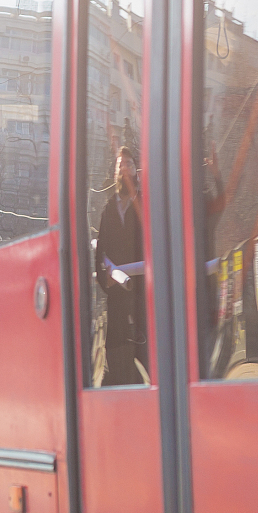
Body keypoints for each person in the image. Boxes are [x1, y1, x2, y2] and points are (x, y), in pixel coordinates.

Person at [95, 144, 149, 386]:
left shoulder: (147, 205)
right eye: (120, 165)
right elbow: (101, 250)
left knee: (146, 358)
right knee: (116, 363)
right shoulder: (108, 209)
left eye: (129, 164)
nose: (124, 169)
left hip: (143, 296)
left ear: (136, 171)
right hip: (117, 297)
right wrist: (104, 277)